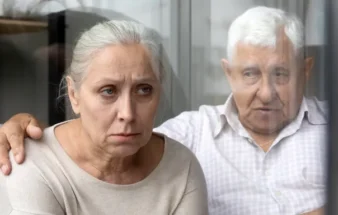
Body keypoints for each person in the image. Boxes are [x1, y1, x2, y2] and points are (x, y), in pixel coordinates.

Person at [0, 6, 326, 215]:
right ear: (229, 74)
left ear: (306, 71)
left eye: (281, 74)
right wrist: (24, 129)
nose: (266, 92)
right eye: (251, 74)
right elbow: (107, 145)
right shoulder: (192, 136)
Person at [0, 20, 208, 215]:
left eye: (144, 90)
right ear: (74, 95)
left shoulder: (180, 166)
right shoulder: (34, 165)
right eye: (108, 91)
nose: (127, 114)